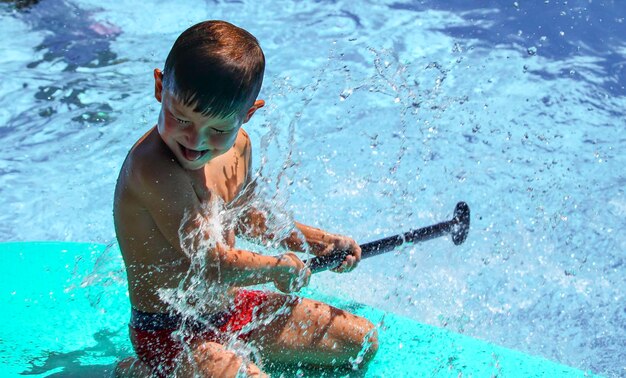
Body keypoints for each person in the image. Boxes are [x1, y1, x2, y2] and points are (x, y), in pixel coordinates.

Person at [113, 20, 378, 377]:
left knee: (361, 341)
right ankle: (141, 371)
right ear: (161, 87)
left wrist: (321, 242)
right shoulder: (152, 170)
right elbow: (208, 263)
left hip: (231, 309)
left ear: (247, 115)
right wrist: (275, 268)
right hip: (169, 334)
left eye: (219, 129)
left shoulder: (238, 148)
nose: (195, 140)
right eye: (181, 118)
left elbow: (250, 216)